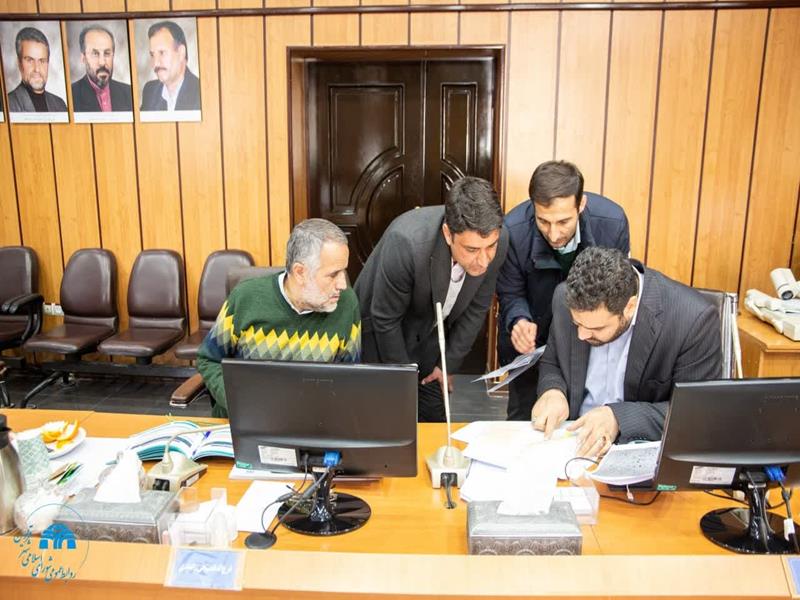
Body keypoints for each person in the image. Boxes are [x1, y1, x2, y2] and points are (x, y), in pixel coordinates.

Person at [532, 247, 722, 456]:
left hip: (640, 450)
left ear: (630, 307)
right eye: (577, 324)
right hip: (572, 442)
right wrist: (553, 390)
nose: (582, 335)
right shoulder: (564, 298)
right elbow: (553, 361)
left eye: (597, 328)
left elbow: (695, 414)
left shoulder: (692, 319)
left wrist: (618, 418)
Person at [354, 176, 509, 422]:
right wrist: (405, 381)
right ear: (448, 233)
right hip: (380, 334)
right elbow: (385, 319)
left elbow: (477, 309)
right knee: (390, 421)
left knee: (434, 420)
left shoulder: (498, 241)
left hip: (428, 333)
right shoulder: (406, 242)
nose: (483, 261)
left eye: (490, 247)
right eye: (471, 250)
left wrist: (445, 365)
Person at [496, 161, 629, 421]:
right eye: (543, 221)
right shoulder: (513, 229)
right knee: (526, 419)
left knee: (587, 415)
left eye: (563, 221)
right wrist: (519, 320)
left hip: (590, 339)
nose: (554, 234)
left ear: (581, 204)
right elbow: (511, 293)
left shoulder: (612, 223)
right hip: (532, 346)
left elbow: (619, 287)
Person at [197, 219, 361, 418]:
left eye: (344, 271)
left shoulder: (346, 304)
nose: (342, 284)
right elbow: (209, 360)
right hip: (245, 420)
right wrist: (238, 403)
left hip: (310, 423)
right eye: (333, 274)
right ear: (300, 273)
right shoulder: (245, 298)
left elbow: (349, 378)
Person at [140, 21, 200, 111]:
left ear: (181, 52)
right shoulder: (150, 91)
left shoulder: (201, 92)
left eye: (162, 53)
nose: (155, 63)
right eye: (152, 55)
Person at [71, 25, 132, 112]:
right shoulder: (72, 95)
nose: (102, 62)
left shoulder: (129, 93)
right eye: (95, 54)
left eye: (107, 53)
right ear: (83, 58)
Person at [7, 27, 67, 112]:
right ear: (19, 63)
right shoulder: (7, 104)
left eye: (42, 61)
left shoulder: (60, 105)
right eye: (30, 60)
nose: (37, 69)